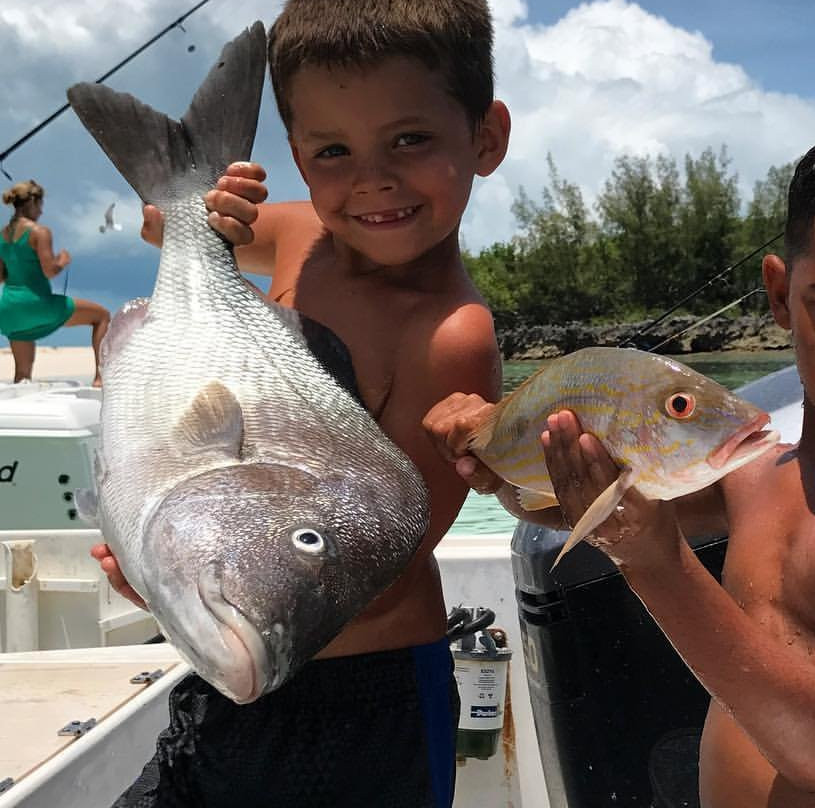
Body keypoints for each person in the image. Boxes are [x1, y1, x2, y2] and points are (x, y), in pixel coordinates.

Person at [425, 109, 815, 807]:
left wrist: (649, 556)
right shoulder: (759, 475)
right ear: (779, 294)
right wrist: (500, 459)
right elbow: (572, 509)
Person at [90, 1, 509, 805]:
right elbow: (160, 223)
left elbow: (379, 564)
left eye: (410, 139)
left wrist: (169, 575)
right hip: (232, 657)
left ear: (485, 137)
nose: (372, 179)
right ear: (297, 157)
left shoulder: (448, 333)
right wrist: (208, 200)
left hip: (365, 704)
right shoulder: (294, 234)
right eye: (333, 151)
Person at [0, 180, 110, 386]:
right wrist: (62, 260)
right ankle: (100, 379)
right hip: (36, 304)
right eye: (40, 205)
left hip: (8, 310)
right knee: (102, 316)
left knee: (22, 376)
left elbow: (0, 277)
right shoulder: (40, 232)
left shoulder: (2, 235)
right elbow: (49, 271)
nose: (41, 212)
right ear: (33, 202)